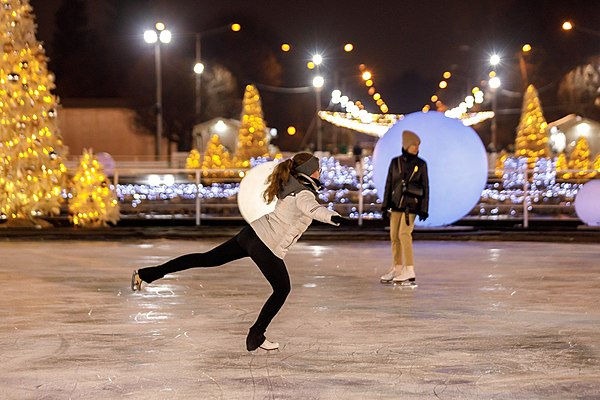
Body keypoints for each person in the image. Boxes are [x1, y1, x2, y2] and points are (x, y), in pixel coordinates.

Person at [131, 153, 349, 351]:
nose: (320, 173)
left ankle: (148, 273)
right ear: (308, 171)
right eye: (317, 169)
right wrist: (333, 217)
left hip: (251, 234)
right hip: (266, 245)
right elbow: (313, 209)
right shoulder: (303, 193)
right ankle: (256, 335)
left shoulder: (290, 186)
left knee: (206, 259)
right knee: (282, 289)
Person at [380, 130, 429, 284]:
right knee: (394, 236)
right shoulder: (396, 163)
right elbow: (389, 184)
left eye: (418, 145)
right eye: (413, 144)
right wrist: (385, 205)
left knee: (404, 235)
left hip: (411, 206)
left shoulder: (421, 164)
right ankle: (398, 267)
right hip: (395, 205)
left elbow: (425, 187)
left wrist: (424, 208)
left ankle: (409, 269)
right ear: (406, 145)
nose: (416, 147)